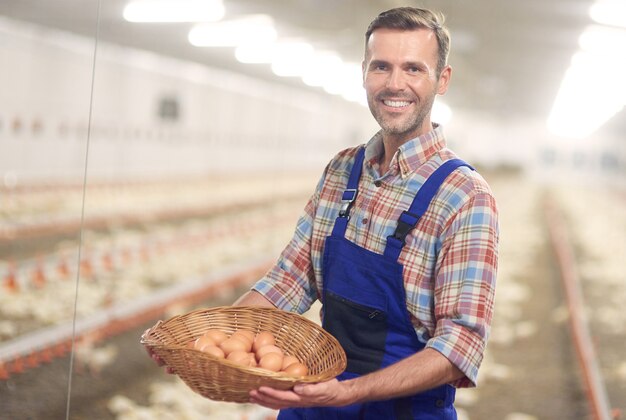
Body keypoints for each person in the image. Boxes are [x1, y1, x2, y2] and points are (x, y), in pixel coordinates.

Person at [149, 6, 498, 419]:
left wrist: (350, 393)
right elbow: (290, 280)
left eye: (413, 69)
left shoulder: (464, 196)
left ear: (442, 79)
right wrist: (214, 337)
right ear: (364, 72)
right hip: (314, 402)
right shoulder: (342, 171)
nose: (394, 84)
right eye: (381, 67)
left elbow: (460, 347)